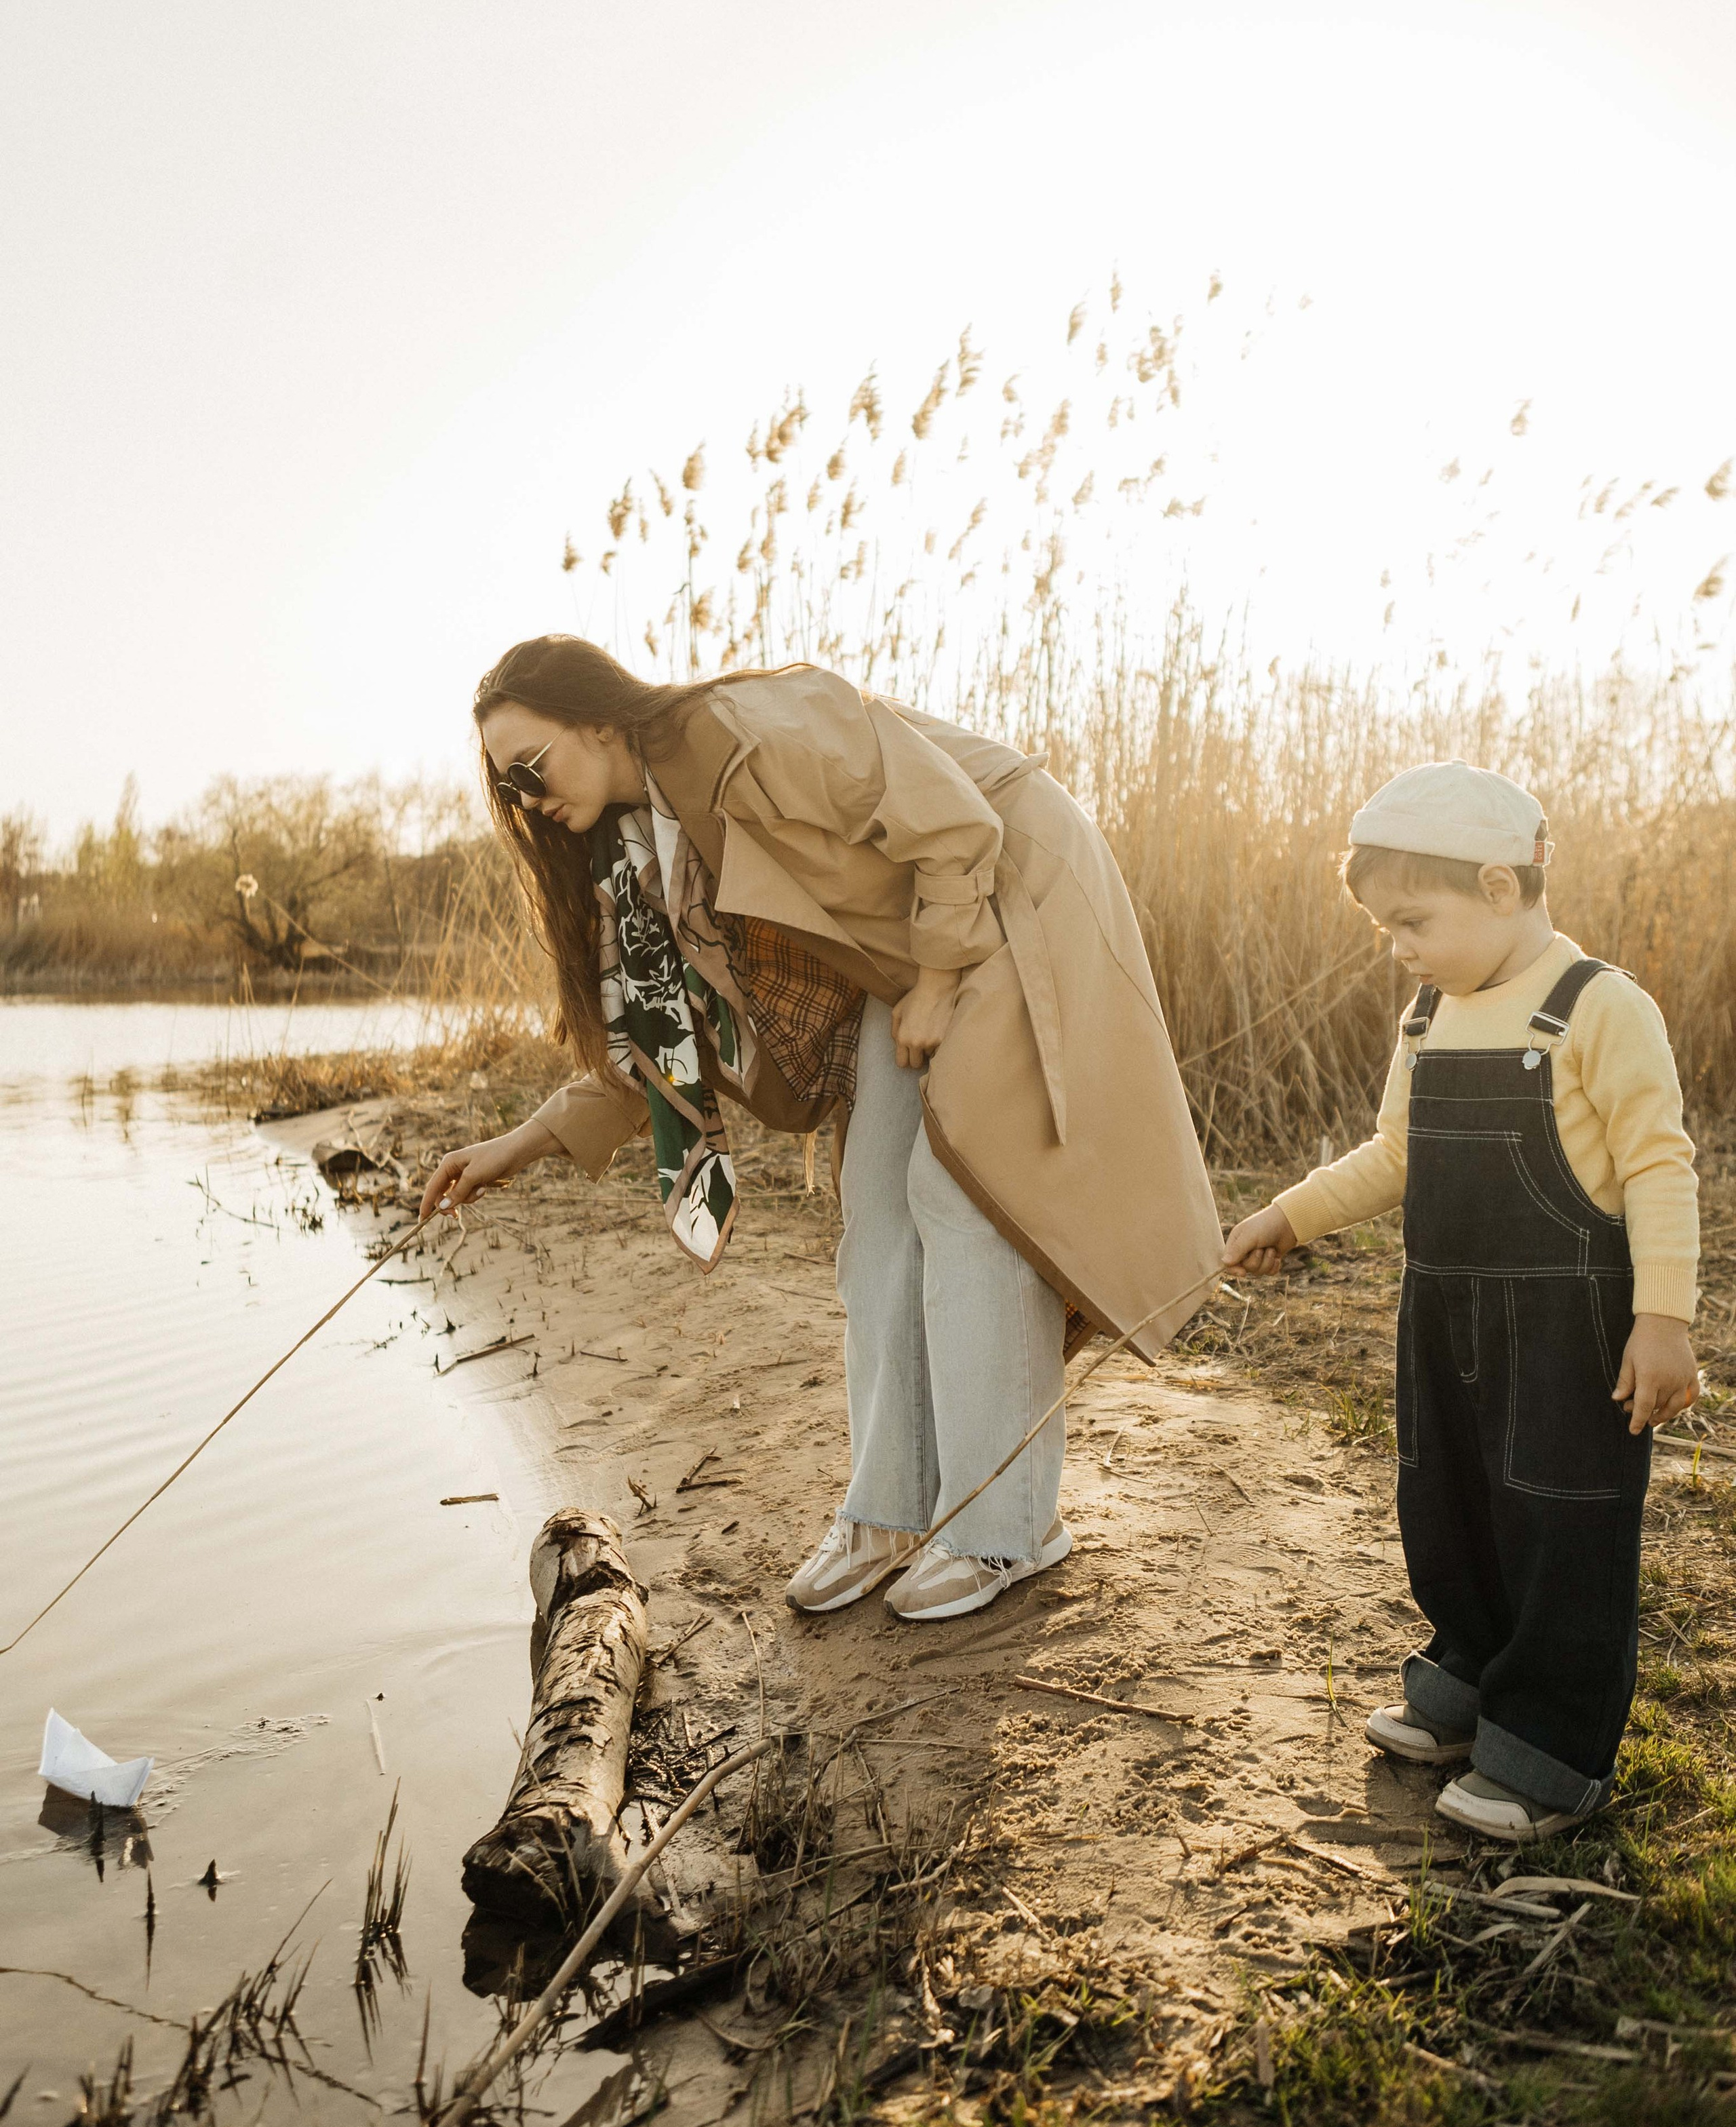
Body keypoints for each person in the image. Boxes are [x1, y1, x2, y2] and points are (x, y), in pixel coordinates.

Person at [420, 637, 1223, 1624]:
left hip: (1002, 884)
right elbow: (669, 1045)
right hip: (915, 940)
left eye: (531, 767)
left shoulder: (747, 726)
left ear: (596, 718)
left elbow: (954, 822)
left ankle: (1006, 1527)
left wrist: (935, 980)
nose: (529, 796)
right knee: (877, 1209)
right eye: (510, 788)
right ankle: (886, 1513)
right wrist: (520, 1146)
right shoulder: (636, 850)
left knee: (961, 1190)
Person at [1224, 760, 1701, 1839]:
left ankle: (1550, 1750)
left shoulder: (1597, 1007)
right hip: (1442, 1315)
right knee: (1448, 1503)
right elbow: (1395, 1153)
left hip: (1568, 1330)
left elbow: (1661, 1166)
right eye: (1389, 927)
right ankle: (1470, 1680)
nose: (1400, 947)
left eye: (1413, 921)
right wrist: (1288, 1216)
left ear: (1499, 886)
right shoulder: (1429, 1014)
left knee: (1558, 1520)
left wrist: (1663, 1317)